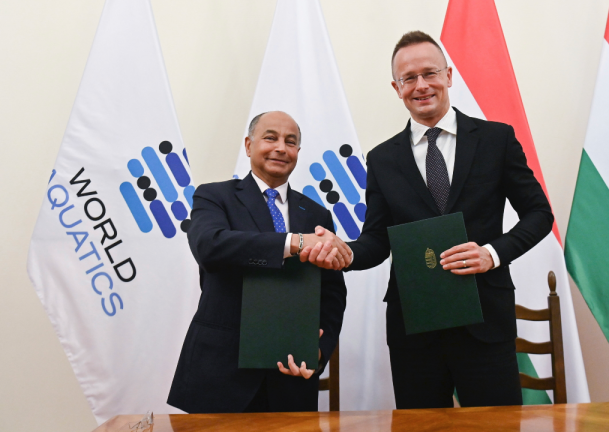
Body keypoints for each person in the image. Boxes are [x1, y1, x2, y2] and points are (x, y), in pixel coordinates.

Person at [305, 31, 553, 409]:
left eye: (429, 73)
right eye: (409, 78)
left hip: (485, 319)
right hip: (413, 328)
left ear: (448, 75)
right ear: (396, 87)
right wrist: (346, 253)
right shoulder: (383, 158)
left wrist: (492, 253)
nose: (421, 85)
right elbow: (376, 240)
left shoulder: (496, 139)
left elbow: (539, 214)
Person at [167, 111, 349, 413]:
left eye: (290, 142)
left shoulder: (317, 215)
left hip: (291, 378)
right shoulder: (214, 196)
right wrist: (295, 241)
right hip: (220, 376)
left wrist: (318, 351)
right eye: (270, 138)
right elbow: (209, 247)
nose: (280, 147)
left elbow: (331, 293)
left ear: (298, 154)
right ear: (249, 145)